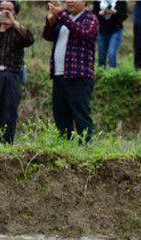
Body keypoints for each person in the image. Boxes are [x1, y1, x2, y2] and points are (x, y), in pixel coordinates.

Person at [43, 0, 98, 144]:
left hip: (79, 74)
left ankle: (85, 147)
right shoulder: (63, 19)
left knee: (80, 114)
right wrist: (51, 22)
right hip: (59, 74)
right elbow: (47, 36)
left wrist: (61, 15)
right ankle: (64, 147)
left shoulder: (90, 18)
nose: (69, 1)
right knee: (60, 114)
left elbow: (83, 32)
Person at [0, 1, 34, 144]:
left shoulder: (18, 32)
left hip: (12, 75)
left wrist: (13, 22)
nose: (3, 12)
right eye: (1, 9)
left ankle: (5, 145)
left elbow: (30, 39)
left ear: (15, 13)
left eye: (8, 10)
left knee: (8, 113)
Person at [93, 0, 126, 68]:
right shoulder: (98, 1)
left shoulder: (121, 1)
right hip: (101, 31)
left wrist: (115, 12)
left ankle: (113, 74)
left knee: (111, 53)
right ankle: (101, 73)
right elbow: (93, 16)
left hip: (116, 30)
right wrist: (101, 13)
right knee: (101, 55)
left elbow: (124, 16)